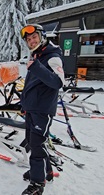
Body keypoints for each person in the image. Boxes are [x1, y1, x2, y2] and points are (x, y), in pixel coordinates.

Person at [19, 24, 66, 195]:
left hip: (43, 110)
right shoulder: (37, 56)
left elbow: (57, 82)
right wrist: (24, 105)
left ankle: (37, 184)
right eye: (29, 40)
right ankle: (45, 171)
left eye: (34, 37)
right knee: (32, 143)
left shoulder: (52, 57)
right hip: (32, 109)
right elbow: (31, 85)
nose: (31, 41)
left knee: (38, 145)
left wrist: (36, 67)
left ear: (42, 36)